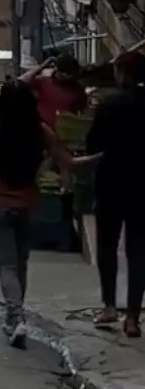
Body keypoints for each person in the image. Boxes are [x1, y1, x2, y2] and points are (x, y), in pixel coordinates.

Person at [0, 81, 93, 348]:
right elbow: (70, 164)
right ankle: (15, 318)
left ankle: (15, 316)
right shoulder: (40, 132)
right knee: (21, 262)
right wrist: (105, 156)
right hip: (28, 205)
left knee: (7, 265)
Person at [86, 52, 145, 337]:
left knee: (107, 246)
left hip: (110, 183)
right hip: (143, 187)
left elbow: (93, 143)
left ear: (122, 74)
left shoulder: (109, 104)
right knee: (138, 251)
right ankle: (133, 317)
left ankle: (109, 306)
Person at [19, 53, 87, 129]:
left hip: (65, 133)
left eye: (68, 73)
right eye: (61, 71)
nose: (64, 74)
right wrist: (43, 65)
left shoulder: (77, 90)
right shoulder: (44, 82)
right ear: (56, 69)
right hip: (42, 131)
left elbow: (82, 113)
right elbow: (21, 82)